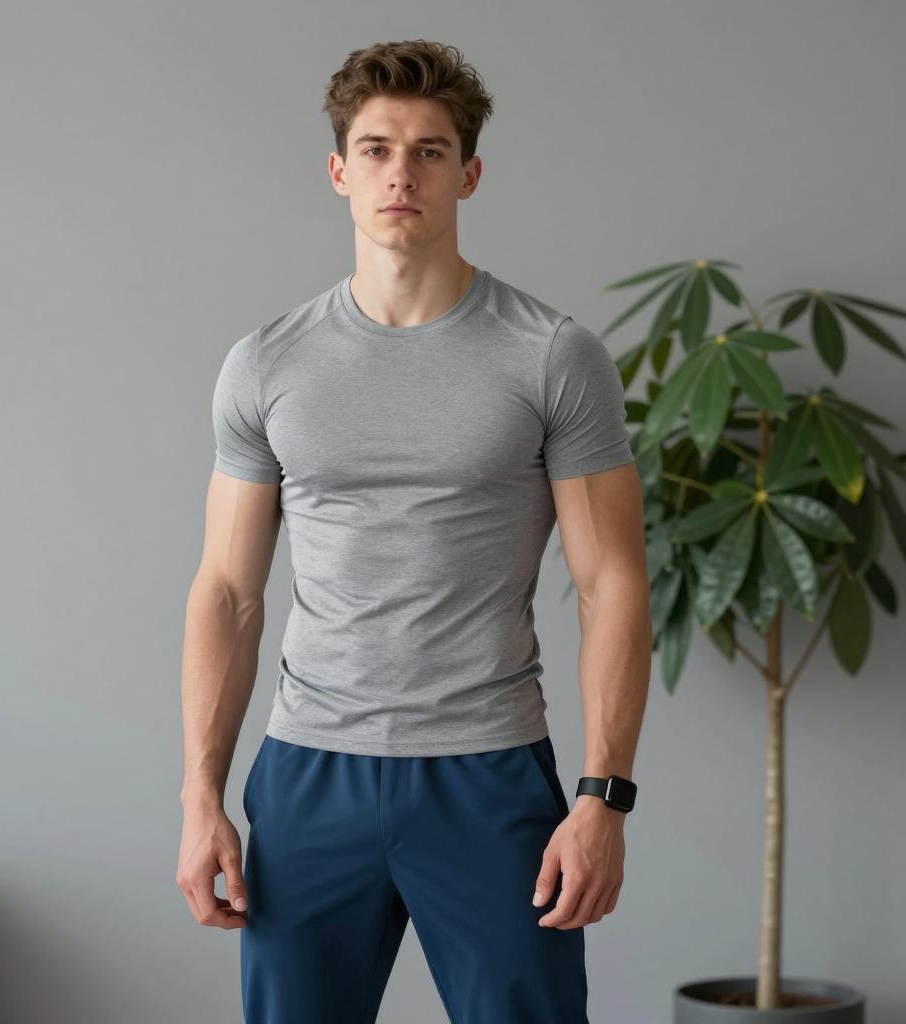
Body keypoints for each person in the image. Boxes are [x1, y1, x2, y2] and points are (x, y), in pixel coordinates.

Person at [177, 38, 651, 1024]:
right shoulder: (265, 364)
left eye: (431, 151)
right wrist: (200, 795)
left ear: (468, 173)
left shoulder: (552, 355)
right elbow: (227, 588)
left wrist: (602, 796)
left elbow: (612, 580)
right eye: (379, 148)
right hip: (309, 776)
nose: (403, 172)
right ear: (340, 171)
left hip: (486, 773)